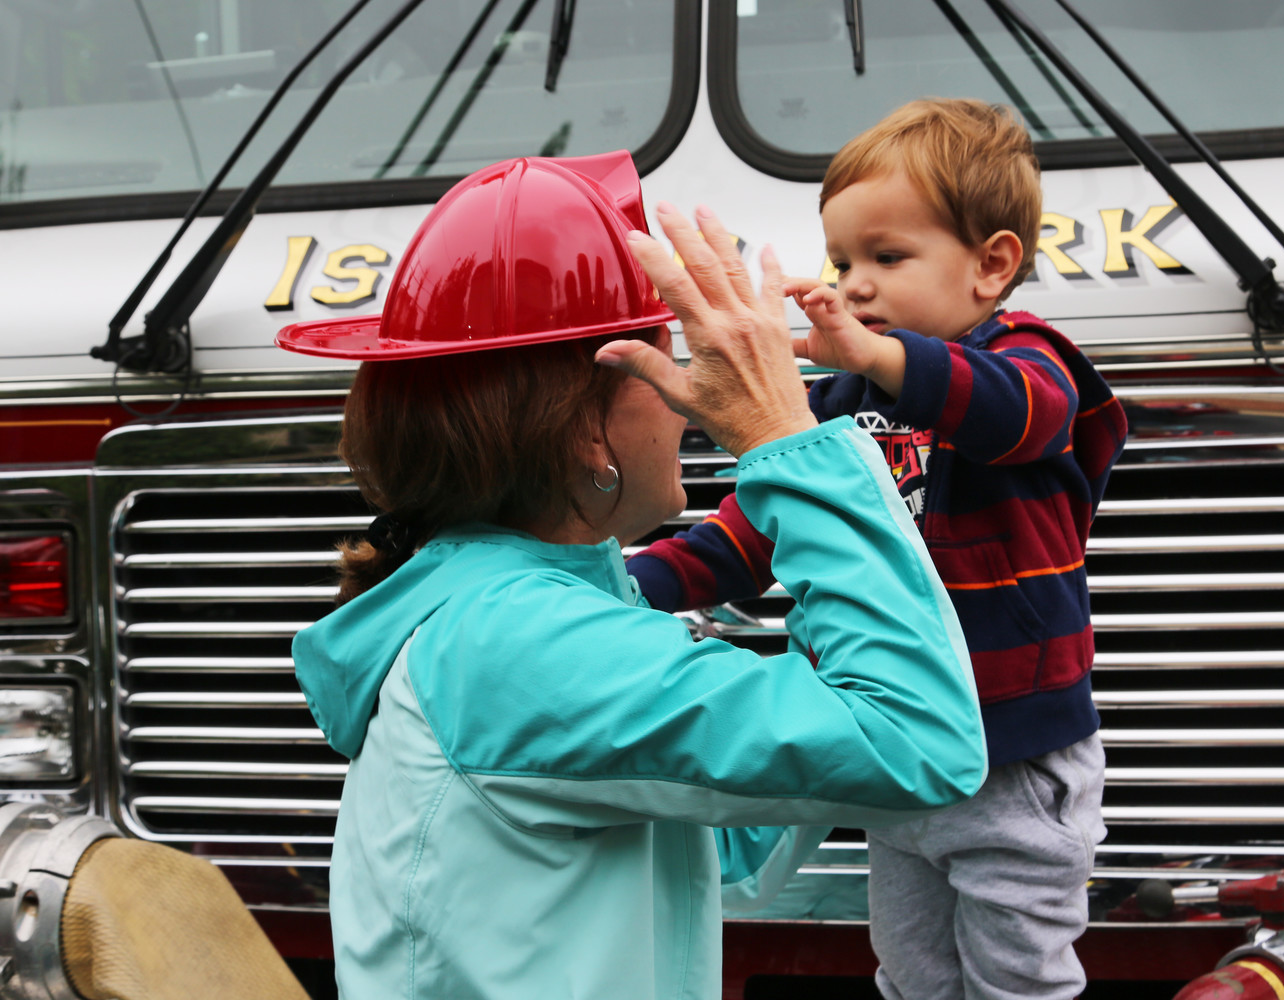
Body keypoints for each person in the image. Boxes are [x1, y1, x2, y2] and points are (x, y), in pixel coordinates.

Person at [274, 151, 988, 1000]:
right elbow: (919, 744)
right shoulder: (519, 642)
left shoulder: (503, 614)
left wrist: (860, 572)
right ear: (583, 428)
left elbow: (729, 849)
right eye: (668, 355)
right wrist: (783, 439)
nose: (692, 394)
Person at [627, 99, 1129, 1000]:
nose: (854, 285)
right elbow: (753, 532)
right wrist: (631, 585)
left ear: (993, 264)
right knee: (911, 973)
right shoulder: (840, 402)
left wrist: (883, 362)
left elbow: (1016, 418)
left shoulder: (1029, 358)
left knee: (1020, 980)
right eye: (842, 261)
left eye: (886, 259)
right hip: (894, 753)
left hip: (1015, 756)